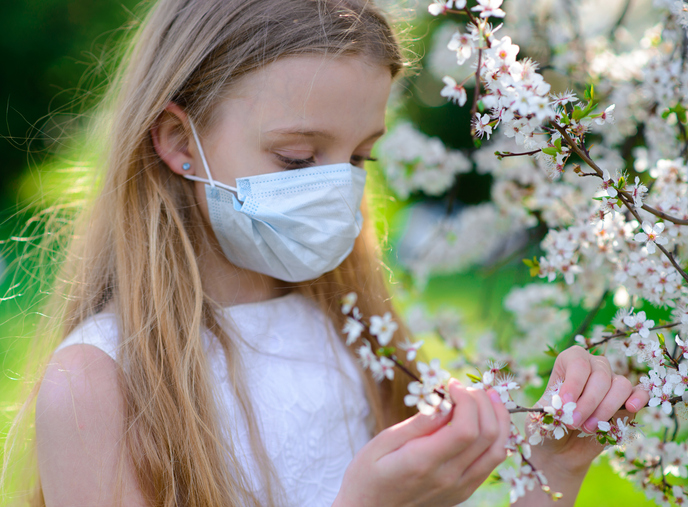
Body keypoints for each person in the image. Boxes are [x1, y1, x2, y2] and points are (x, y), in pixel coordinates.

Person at [7, 0, 649, 506]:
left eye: (360, 157)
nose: (339, 188)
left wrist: (554, 471)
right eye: (298, 158)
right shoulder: (100, 383)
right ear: (180, 140)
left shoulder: (352, 332)